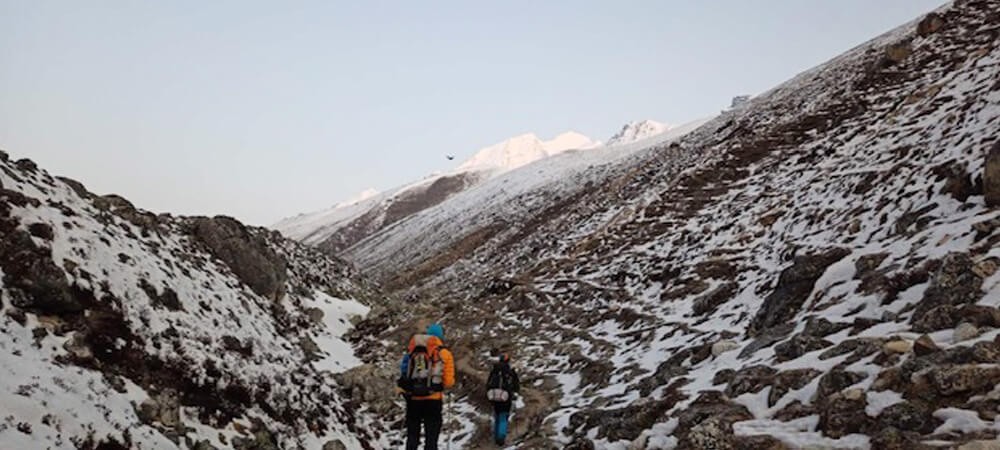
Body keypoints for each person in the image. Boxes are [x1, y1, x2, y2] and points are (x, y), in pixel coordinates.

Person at [397, 323, 456, 450]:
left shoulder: (413, 351)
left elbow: (404, 373)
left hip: (413, 399)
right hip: (433, 400)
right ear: (440, 336)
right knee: (431, 438)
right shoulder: (444, 353)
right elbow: (448, 382)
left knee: (412, 436)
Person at [486, 353, 520, 446]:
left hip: (494, 396)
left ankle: (496, 436)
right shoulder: (510, 370)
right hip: (506, 396)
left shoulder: (494, 370)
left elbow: (488, 383)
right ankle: (501, 437)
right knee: (503, 416)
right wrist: (515, 393)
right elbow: (516, 383)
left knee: (497, 414)